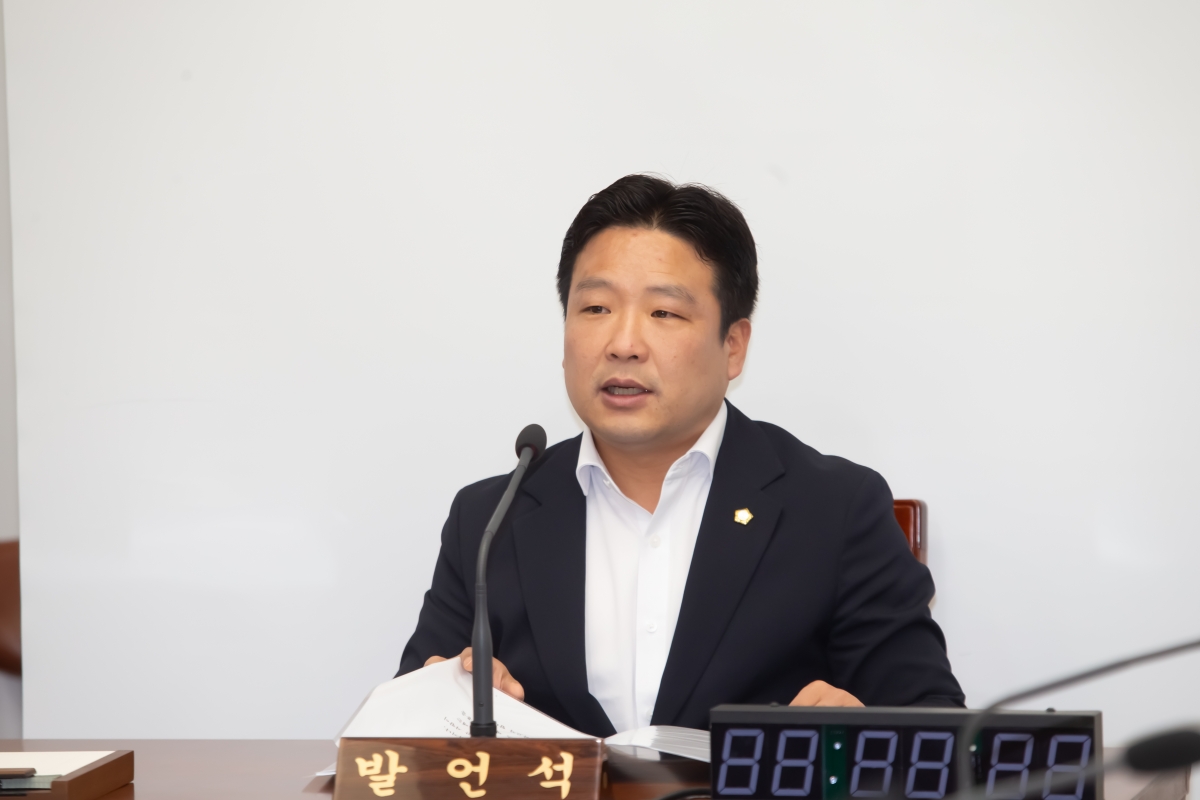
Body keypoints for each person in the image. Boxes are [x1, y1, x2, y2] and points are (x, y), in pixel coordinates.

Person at [397, 174, 964, 736]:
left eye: (663, 313)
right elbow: (400, 739)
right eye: (595, 308)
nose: (623, 344)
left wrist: (857, 731)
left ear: (733, 346)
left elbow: (935, 727)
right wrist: (446, 701)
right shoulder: (490, 520)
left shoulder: (833, 508)